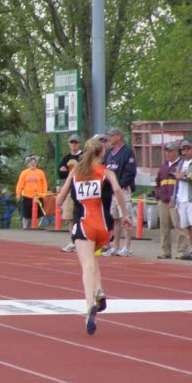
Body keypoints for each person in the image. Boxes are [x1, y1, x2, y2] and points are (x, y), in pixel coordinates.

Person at [55, 136, 132, 335]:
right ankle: (99, 289)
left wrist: (62, 199)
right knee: (94, 256)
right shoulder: (106, 172)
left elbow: (59, 199)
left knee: (87, 265)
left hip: (84, 224)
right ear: (101, 153)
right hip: (104, 227)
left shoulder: (75, 172)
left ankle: (90, 302)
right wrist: (125, 215)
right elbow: (117, 189)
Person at [102, 128, 137, 256]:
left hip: (123, 190)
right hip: (111, 191)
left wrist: (119, 184)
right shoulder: (110, 152)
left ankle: (127, 247)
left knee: (125, 217)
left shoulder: (127, 152)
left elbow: (131, 172)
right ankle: (115, 246)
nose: (109, 138)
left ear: (118, 137)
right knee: (114, 218)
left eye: (111, 136)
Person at [155, 142, 190, 259]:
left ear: (176, 152)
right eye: (167, 151)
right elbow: (158, 182)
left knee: (179, 227)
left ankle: (182, 251)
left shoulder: (181, 165)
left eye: (170, 151)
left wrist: (175, 198)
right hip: (163, 201)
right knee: (164, 228)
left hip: (176, 201)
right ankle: (165, 251)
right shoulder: (164, 166)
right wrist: (158, 196)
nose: (167, 153)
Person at [59, 134, 83, 252]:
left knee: (80, 215)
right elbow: (60, 173)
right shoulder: (66, 157)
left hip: (80, 187)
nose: (74, 144)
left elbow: (82, 171)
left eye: (76, 142)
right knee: (69, 216)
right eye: (72, 142)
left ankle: (81, 239)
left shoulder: (83, 156)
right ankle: (73, 240)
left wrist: (67, 172)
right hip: (69, 188)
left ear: (79, 144)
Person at [15, 155, 47, 229]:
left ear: (36, 164)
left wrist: (44, 194)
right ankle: (25, 227)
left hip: (38, 196)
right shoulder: (24, 173)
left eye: (34, 162)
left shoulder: (40, 172)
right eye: (31, 162)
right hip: (27, 196)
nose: (33, 164)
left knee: (39, 213)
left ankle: (36, 227)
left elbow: (44, 184)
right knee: (26, 213)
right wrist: (18, 194)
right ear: (28, 164)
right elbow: (20, 184)